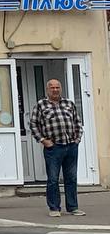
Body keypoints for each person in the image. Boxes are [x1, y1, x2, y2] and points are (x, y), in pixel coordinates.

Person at [30, 78, 86, 217]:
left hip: (71, 146)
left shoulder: (69, 103)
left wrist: (77, 139)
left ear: (60, 88)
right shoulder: (41, 105)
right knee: (53, 179)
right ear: (47, 90)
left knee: (71, 178)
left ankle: (72, 207)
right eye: (52, 88)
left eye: (57, 87)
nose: (55, 90)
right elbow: (33, 124)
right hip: (53, 148)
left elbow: (77, 122)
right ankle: (54, 208)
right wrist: (43, 140)